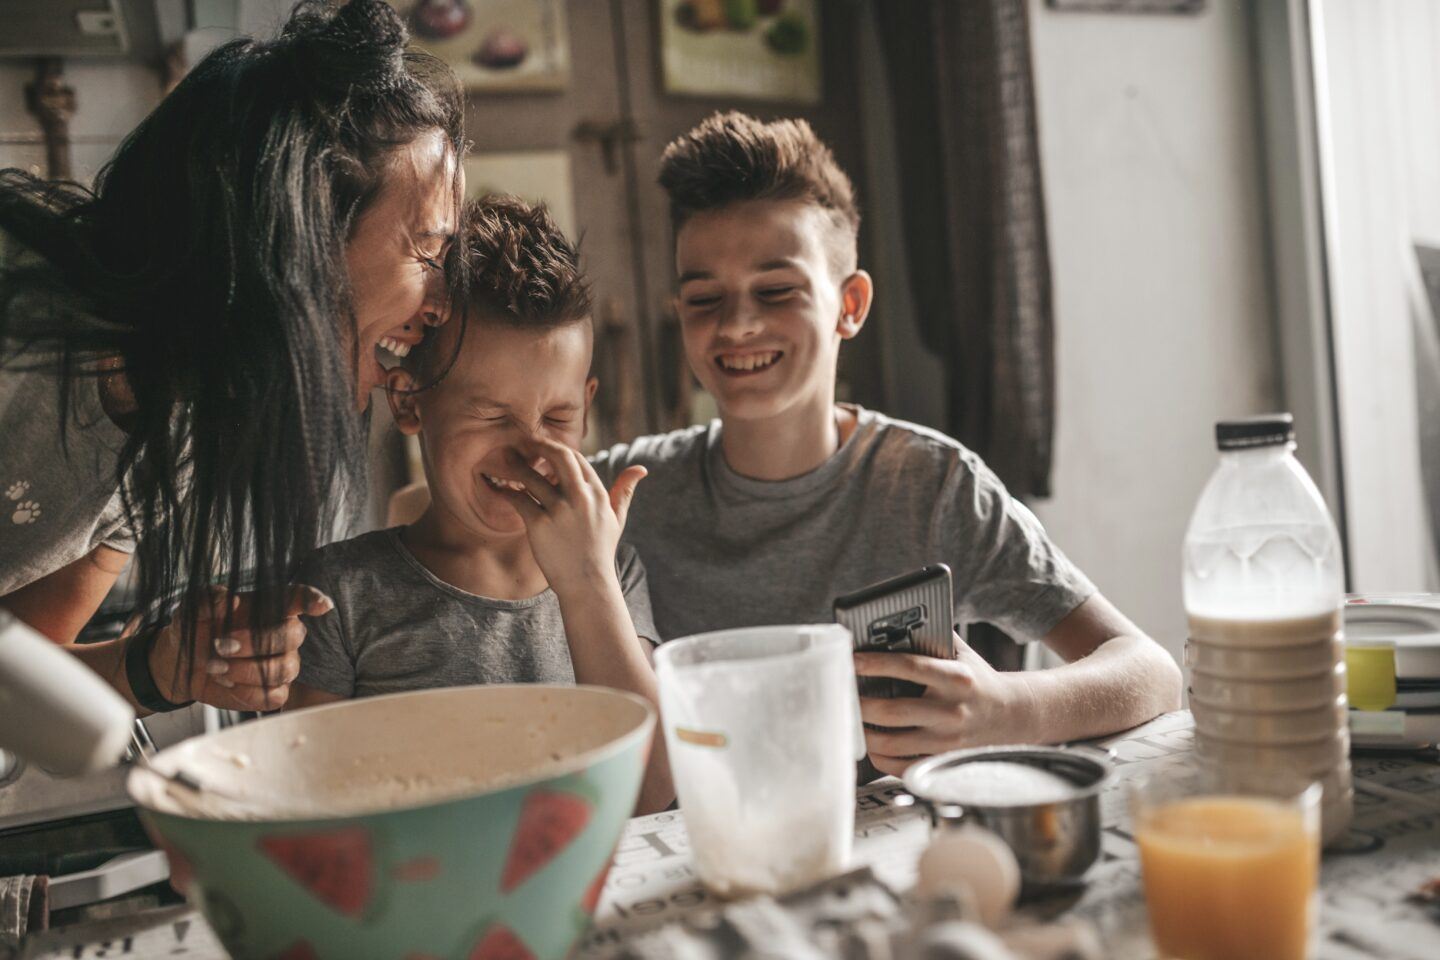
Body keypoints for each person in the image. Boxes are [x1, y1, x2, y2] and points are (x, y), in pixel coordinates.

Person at [592, 112, 1183, 777]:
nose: (738, 325)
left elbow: (1151, 673)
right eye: (704, 299)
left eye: (776, 291)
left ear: (851, 304)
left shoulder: (933, 486)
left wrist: (1007, 708)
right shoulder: (621, 494)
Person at [0, 0, 464, 715]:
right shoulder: (17, 319)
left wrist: (160, 665)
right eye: (428, 251)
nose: (441, 304)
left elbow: (21, 684)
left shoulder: (176, 431)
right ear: (306, 226)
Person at [288, 197, 672, 813]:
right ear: (411, 402)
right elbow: (299, 810)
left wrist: (587, 583)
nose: (530, 450)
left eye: (558, 416)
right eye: (492, 415)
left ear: (588, 402)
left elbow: (654, 798)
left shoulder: (613, 575)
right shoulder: (342, 594)